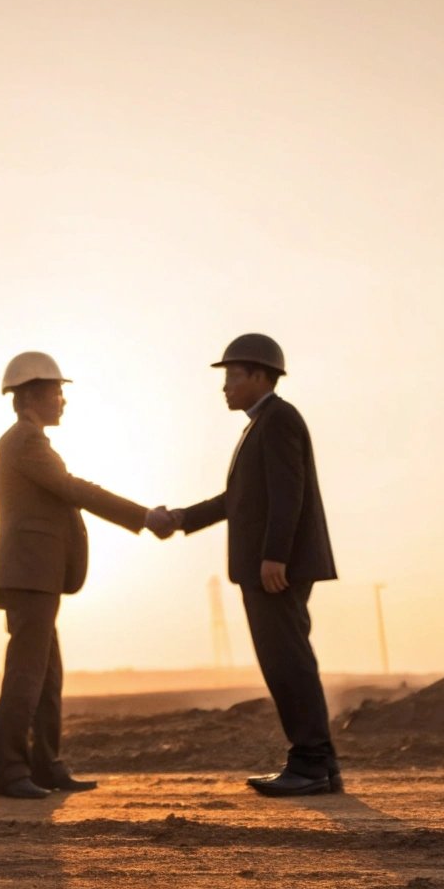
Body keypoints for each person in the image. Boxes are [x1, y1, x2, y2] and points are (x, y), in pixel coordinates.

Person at [150, 334, 341, 797]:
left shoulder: (278, 420)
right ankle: (317, 763)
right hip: (269, 566)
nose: (225, 387)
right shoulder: (261, 424)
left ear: (259, 376)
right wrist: (181, 519)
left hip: (275, 568)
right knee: (285, 661)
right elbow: (238, 500)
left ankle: (312, 763)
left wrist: (274, 555)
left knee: (288, 662)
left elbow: (288, 493)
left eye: (232, 377)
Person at [0, 351, 151, 800]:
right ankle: (12, 773)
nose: (63, 401)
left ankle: (44, 766)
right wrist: (143, 516)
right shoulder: (25, 442)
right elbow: (73, 489)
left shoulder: (30, 441)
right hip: (28, 574)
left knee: (46, 676)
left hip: (37, 575)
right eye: (57, 392)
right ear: (31, 395)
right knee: (26, 675)